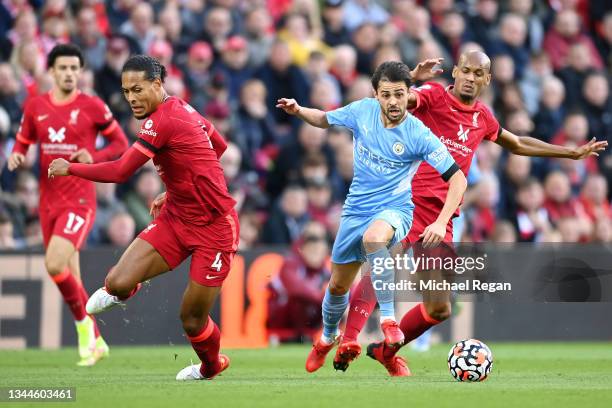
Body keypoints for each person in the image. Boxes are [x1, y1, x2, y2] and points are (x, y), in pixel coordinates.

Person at [341, 51, 607, 376]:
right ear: (455, 72)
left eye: (477, 73)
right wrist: (411, 76)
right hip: (407, 199)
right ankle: (348, 339)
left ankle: (385, 351)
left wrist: (569, 152)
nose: (469, 77)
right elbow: (389, 101)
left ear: (487, 80)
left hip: (443, 215)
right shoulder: (433, 96)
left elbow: (517, 142)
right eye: (465, 70)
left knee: (439, 308)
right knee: (383, 259)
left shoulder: (482, 117)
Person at [48, 55, 239, 381]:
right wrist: (179, 189)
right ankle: (127, 288)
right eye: (125, 92)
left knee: (191, 319)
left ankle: (211, 366)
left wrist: (71, 168)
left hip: (215, 228)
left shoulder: (162, 120)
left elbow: (122, 170)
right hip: (177, 218)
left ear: (157, 84)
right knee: (117, 283)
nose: (132, 98)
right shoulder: (181, 107)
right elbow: (216, 145)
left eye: (138, 89)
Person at [276, 60, 468, 373]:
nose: (394, 101)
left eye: (400, 94)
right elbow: (324, 119)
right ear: (376, 95)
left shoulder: (418, 134)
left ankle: (389, 321)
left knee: (375, 238)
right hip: (356, 210)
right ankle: (326, 339)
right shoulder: (361, 111)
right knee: (338, 286)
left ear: (409, 95)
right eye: (387, 94)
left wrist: (439, 220)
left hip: (396, 209)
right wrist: (299, 111)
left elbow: (457, 178)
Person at [7, 44, 128, 366]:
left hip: (79, 200)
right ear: (51, 71)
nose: (70, 74)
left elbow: (120, 143)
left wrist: (95, 156)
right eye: (63, 68)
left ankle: (83, 329)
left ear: (81, 72)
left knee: (54, 264)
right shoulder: (35, 106)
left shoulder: (93, 106)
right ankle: (97, 343)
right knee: (66, 272)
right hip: (48, 202)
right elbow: (24, 137)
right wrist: (18, 153)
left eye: (75, 68)